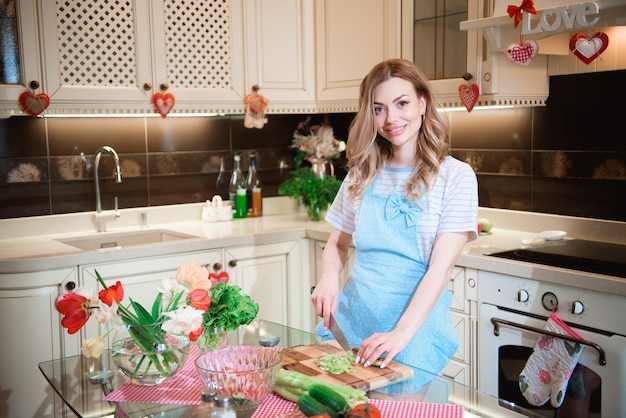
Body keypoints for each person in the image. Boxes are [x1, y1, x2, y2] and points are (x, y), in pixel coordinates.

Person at [311, 58, 478, 397]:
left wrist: (401, 334)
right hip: (354, 319)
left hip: (412, 329)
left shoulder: (455, 177)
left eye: (401, 103)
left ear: (422, 102)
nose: (391, 119)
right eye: (379, 108)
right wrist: (329, 279)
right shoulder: (362, 173)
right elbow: (336, 245)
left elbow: (440, 269)